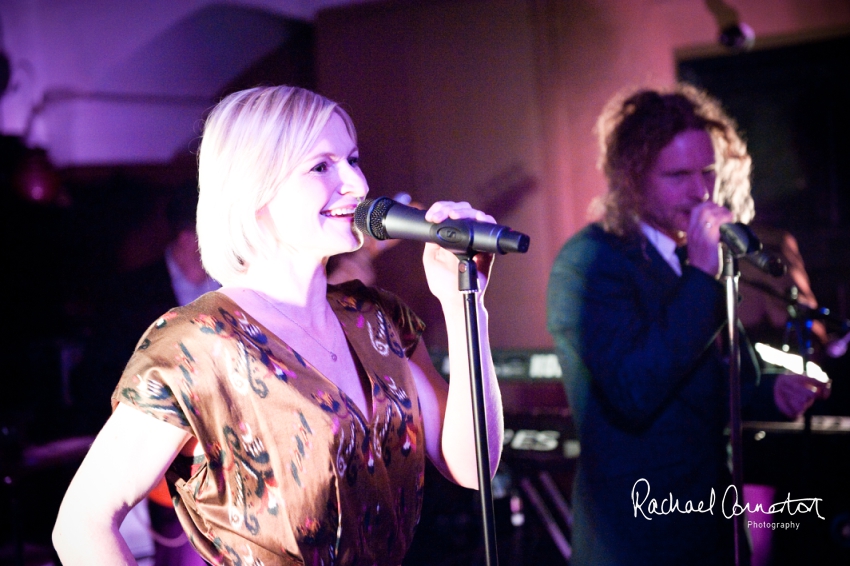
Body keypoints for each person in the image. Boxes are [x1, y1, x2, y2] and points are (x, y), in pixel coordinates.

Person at [52, 85, 503, 565]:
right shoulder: (198, 342)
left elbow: (474, 466)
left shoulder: (377, 318)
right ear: (255, 188)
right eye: (321, 166)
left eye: (352, 159)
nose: (356, 184)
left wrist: (465, 304)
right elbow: (81, 525)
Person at [545, 83, 828, 566]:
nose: (700, 191)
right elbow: (635, 389)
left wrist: (771, 394)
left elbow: (710, 383)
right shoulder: (589, 262)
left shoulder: (694, 258)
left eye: (708, 173)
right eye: (678, 175)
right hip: (636, 539)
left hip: (710, 529)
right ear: (633, 179)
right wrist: (701, 277)